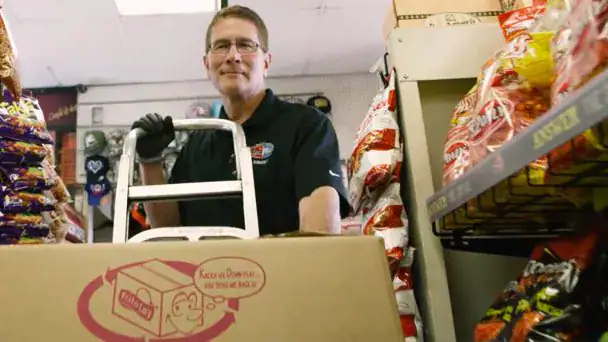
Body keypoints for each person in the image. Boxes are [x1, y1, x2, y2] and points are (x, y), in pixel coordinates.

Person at [131, 5, 349, 236]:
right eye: (222, 46)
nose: (233, 56)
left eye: (245, 45)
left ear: (266, 62)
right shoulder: (196, 145)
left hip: (283, 271)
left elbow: (321, 232)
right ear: (207, 64)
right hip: (204, 272)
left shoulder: (306, 125)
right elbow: (168, 229)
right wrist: (150, 162)